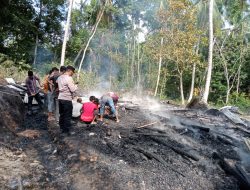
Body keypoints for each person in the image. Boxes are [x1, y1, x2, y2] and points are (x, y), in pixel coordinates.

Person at [57, 65, 78, 134]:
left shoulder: (60, 77)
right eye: (73, 72)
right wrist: (76, 85)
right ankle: (66, 130)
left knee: (62, 114)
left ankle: (61, 128)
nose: (73, 74)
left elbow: (58, 85)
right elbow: (73, 89)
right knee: (68, 115)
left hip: (60, 98)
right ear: (70, 71)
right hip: (67, 99)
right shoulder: (69, 78)